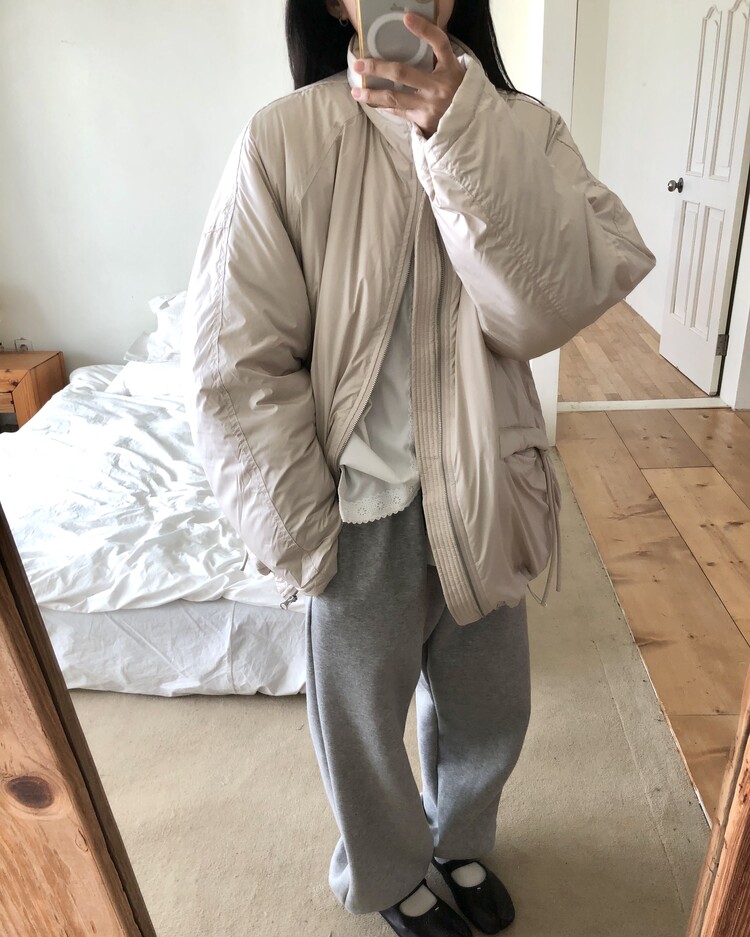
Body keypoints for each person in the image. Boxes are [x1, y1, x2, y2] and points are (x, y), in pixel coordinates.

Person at [182, 2, 657, 934]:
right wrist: (300, 522)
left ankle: (461, 840)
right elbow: (235, 357)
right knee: (359, 724)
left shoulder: (522, 129)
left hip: (484, 484)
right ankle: (391, 871)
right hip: (353, 506)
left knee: (491, 705)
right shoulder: (284, 139)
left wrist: (460, 130)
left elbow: (551, 305)